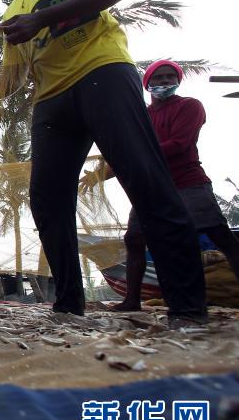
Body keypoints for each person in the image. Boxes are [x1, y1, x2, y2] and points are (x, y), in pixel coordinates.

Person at [0, 0, 207, 325]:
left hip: (102, 72)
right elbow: (14, 77)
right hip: (51, 103)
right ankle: (68, 304)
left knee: (144, 179)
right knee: (47, 201)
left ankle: (188, 308)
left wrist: (42, 17)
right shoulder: (13, 17)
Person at [83, 60, 239, 311]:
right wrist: (97, 176)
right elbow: (127, 153)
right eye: (158, 78)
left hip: (188, 183)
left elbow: (180, 144)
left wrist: (133, 155)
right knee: (134, 238)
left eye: (169, 76)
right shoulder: (141, 116)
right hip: (149, 186)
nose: (165, 81)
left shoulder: (190, 106)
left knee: (220, 236)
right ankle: (132, 300)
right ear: (148, 84)